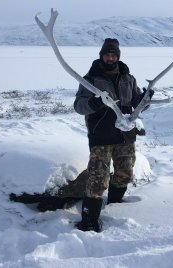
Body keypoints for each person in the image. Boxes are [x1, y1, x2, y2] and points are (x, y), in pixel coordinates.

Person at [73, 38, 153, 232]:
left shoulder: (128, 78)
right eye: (107, 55)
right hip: (101, 135)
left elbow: (136, 102)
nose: (110, 58)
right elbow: (78, 106)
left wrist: (144, 99)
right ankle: (89, 220)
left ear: (118, 56)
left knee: (124, 174)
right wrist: (95, 103)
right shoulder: (90, 79)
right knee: (98, 179)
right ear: (101, 56)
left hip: (125, 135)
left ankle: (114, 206)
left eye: (113, 55)